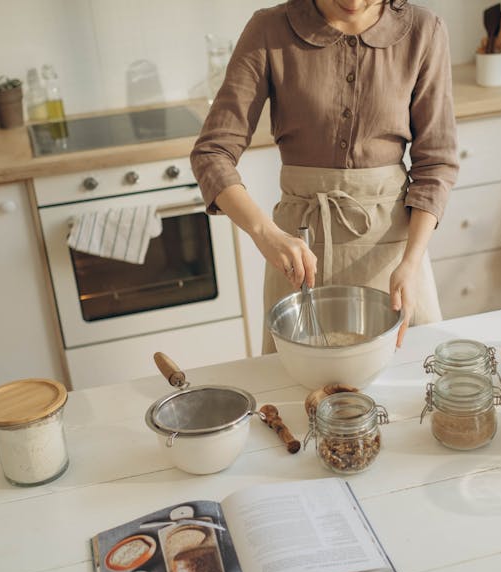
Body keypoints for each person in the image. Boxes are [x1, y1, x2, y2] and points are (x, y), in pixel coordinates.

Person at [191, 0, 459, 352]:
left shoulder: (425, 32)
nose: (352, 2)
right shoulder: (269, 29)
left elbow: (436, 162)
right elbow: (212, 153)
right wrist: (264, 234)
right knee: (300, 397)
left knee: (411, 391)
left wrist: (410, 262)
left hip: (395, 257)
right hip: (297, 255)